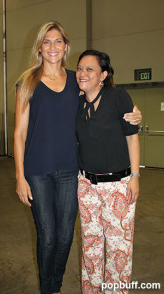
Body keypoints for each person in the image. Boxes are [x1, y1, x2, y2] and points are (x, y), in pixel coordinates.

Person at [14, 21, 141, 294]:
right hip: (37, 172)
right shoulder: (28, 82)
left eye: (58, 41)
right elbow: (19, 133)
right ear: (39, 46)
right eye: (46, 41)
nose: (52, 47)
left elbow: (106, 95)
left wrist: (134, 112)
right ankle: (49, 289)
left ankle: (56, 284)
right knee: (47, 236)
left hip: (71, 171)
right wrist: (19, 177)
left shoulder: (77, 80)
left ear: (66, 45)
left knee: (64, 237)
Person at [76, 50, 140, 294]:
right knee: (90, 248)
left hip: (118, 185)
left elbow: (132, 138)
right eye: (80, 68)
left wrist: (135, 177)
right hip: (86, 185)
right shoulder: (78, 101)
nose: (83, 73)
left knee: (118, 249)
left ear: (103, 74)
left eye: (90, 69)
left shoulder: (117, 96)